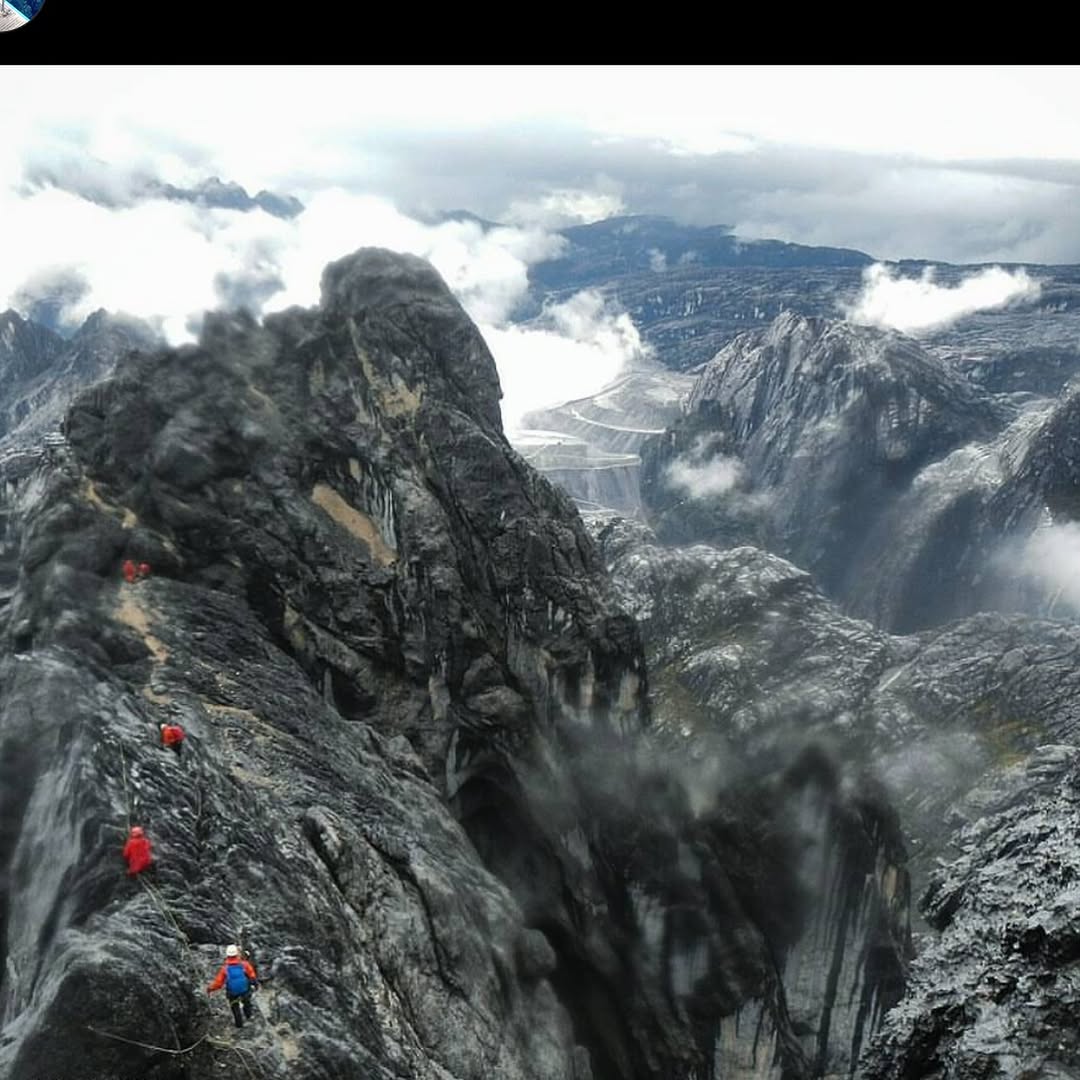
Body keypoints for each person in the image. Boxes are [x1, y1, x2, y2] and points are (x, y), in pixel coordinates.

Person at [207, 945, 258, 1027]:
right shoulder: (244, 964)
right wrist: (255, 984)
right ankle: (249, 1016)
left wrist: (209, 989)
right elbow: (252, 975)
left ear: (227, 955)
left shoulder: (225, 969)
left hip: (232, 993)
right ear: (237, 954)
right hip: (245, 990)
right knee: (247, 1002)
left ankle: (239, 1024)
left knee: (235, 1007)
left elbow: (218, 983)